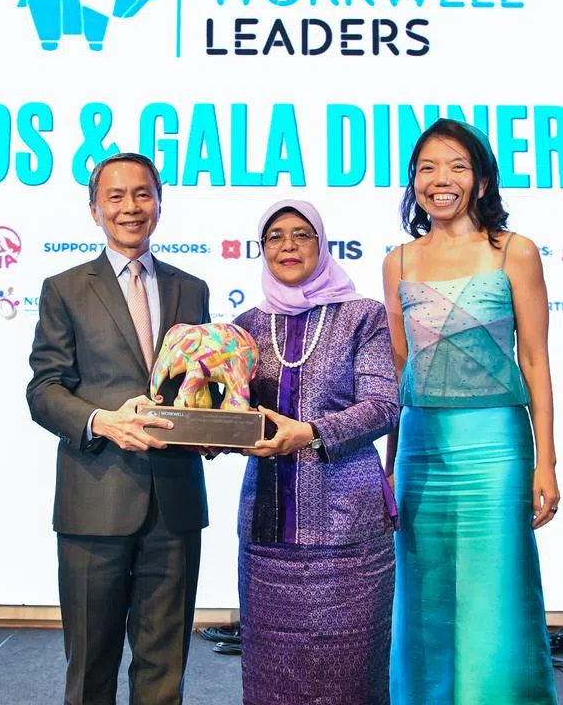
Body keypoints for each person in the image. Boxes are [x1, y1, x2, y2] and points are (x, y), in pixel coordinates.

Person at [383, 119, 560, 703]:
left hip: (496, 446)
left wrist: (546, 464)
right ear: (413, 182)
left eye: (458, 166)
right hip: (420, 445)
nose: (442, 179)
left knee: (497, 592)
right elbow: (399, 373)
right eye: (428, 168)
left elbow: (535, 360)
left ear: (481, 180)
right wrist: (388, 467)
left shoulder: (515, 251)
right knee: (424, 595)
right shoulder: (399, 261)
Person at [26, 152, 213, 705]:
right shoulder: (64, 288)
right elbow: (44, 390)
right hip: (95, 498)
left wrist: (214, 430)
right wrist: (100, 421)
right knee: (90, 666)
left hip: (174, 503)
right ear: (94, 210)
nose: (131, 207)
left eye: (142, 194)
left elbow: (199, 388)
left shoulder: (192, 288)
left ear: (158, 202)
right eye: (116, 196)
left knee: (165, 666)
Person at [232, 199, 400, 704]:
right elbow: (233, 413)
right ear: (262, 250)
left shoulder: (362, 316)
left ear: (321, 245)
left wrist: (310, 433)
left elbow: (384, 406)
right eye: (275, 236)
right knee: (272, 675)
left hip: (348, 529)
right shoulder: (245, 326)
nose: (288, 245)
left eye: (301, 235)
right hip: (268, 533)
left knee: (350, 672)